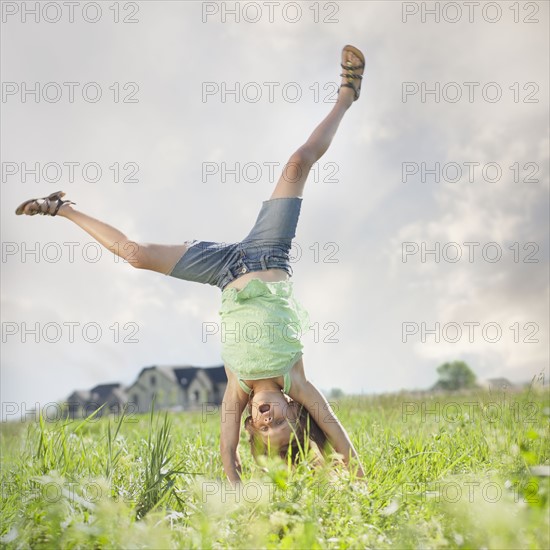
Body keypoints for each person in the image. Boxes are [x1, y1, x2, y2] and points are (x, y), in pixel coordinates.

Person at [15, 45, 367, 485]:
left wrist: (234, 477)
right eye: (280, 423)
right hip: (268, 253)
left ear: (249, 427)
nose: (266, 421)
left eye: (261, 430)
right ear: (295, 410)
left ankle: (62, 207)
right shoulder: (294, 381)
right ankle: (345, 97)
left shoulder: (237, 389)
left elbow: (228, 453)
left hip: (222, 271)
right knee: (297, 164)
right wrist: (355, 471)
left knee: (136, 255)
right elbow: (333, 426)